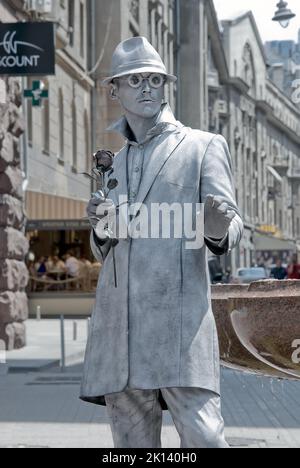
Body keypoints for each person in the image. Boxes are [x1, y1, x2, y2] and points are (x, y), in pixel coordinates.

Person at [80, 37, 243, 448]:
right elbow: (104, 251)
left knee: (206, 439)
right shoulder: (113, 165)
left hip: (180, 330)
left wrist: (215, 227)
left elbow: (234, 224)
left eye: (155, 78)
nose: (147, 87)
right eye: (135, 80)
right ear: (114, 90)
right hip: (120, 339)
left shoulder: (202, 147)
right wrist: (100, 228)